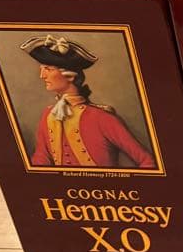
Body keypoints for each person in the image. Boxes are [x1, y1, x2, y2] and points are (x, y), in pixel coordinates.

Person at [21, 34, 155, 169]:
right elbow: (40, 162)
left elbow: (147, 161)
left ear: (70, 76)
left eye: (48, 69)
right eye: (42, 69)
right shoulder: (48, 115)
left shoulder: (102, 117)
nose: (42, 76)